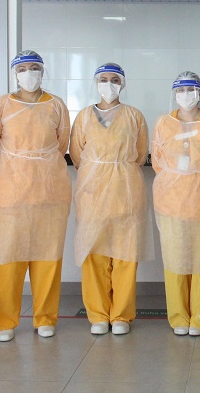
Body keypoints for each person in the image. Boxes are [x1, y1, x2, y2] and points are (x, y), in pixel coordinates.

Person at [0, 50, 72, 342]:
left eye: (34, 68)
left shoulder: (56, 105)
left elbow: (61, 145)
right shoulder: (2, 105)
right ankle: (4, 321)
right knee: (8, 257)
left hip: (49, 191)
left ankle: (45, 318)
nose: (29, 73)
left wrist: (38, 167)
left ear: (42, 71)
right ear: (15, 74)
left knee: (48, 256)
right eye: (23, 69)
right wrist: (14, 170)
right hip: (8, 194)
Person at [69, 63, 152, 336]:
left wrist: (117, 171)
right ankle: (97, 314)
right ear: (96, 83)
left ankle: (121, 316)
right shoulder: (83, 117)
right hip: (92, 193)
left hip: (126, 192)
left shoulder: (134, 116)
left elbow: (140, 154)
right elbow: (77, 155)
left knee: (126, 255)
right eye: (103, 79)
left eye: (114, 79)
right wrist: (98, 173)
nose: (108, 84)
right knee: (93, 253)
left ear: (122, 84)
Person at [151, 71, 200, 336]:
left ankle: (198, 318)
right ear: (174, 94)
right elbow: (158, 161)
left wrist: (198, 179)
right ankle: (178, 317)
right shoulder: (163, 123)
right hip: (171, 203)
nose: (185, 95)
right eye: (180, 90)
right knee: (174, 258)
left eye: (190, 89)